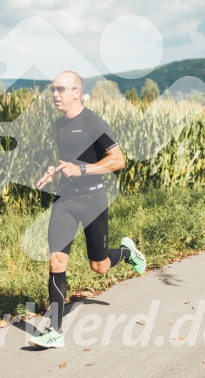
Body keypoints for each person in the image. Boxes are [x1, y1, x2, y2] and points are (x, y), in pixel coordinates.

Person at [28, 71, 146, 349]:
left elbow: (118, 160)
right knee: (56, 261)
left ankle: (127, 253)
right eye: (53, 89)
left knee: (100, 266)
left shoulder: (93, 122)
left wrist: (82, 169)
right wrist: (55, 170)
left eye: (60, 89)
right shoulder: (59, 125)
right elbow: (67, 159)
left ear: (76, 92)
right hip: (66, 201)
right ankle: (54, 331)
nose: (55, 95)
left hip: (93, 201)